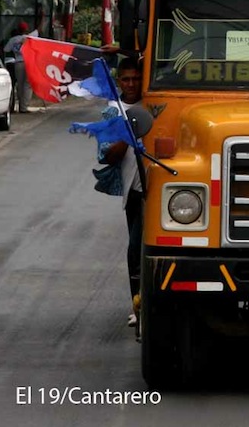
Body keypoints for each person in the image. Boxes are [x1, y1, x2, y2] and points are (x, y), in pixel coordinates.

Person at [97, 57, 144, 326]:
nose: (131, 84)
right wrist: (127, 135)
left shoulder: (156, 104)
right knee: (135, 250)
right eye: (126, 79)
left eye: (136, 78)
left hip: (160, 189)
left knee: (141, 248)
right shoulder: (112, 112)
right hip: (133, 190)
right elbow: (106, 155)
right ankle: (137, 304)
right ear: (119, 82)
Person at [4, 22, 38, 113]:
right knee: (28, 84)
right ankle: (24, 107)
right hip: (28, 62)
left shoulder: (13, 40)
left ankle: (20, 105)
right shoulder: (29, 37)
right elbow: (39, 30)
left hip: (18, 62)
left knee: (20, 84)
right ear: (26, 29)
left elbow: (6, 49)